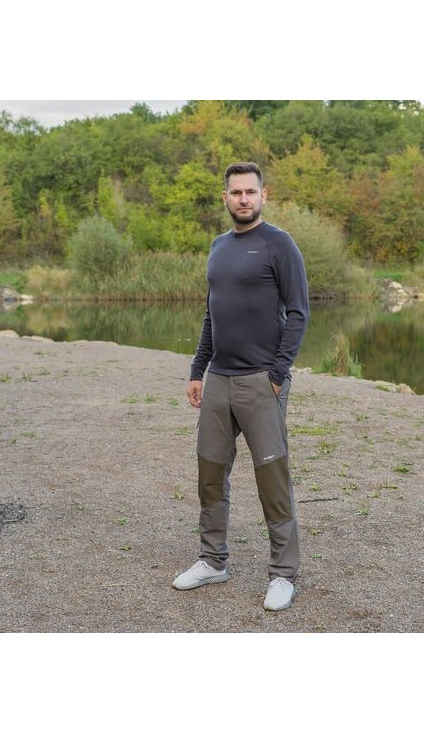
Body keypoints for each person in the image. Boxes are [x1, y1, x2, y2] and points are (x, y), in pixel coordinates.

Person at [172, 161, 309, 612]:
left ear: (263, 195)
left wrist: (277, 373)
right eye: (236, 192)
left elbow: (299, 312)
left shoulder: (279, 244)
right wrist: (198, 368)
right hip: (219, 379)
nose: (243, 199)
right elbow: (212, 313)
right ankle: (213, 560)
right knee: (210, 472)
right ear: (225, 197)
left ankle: (283, 574)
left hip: (260, 381)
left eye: (251, 191)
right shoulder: (218, 247)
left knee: (272, 479)